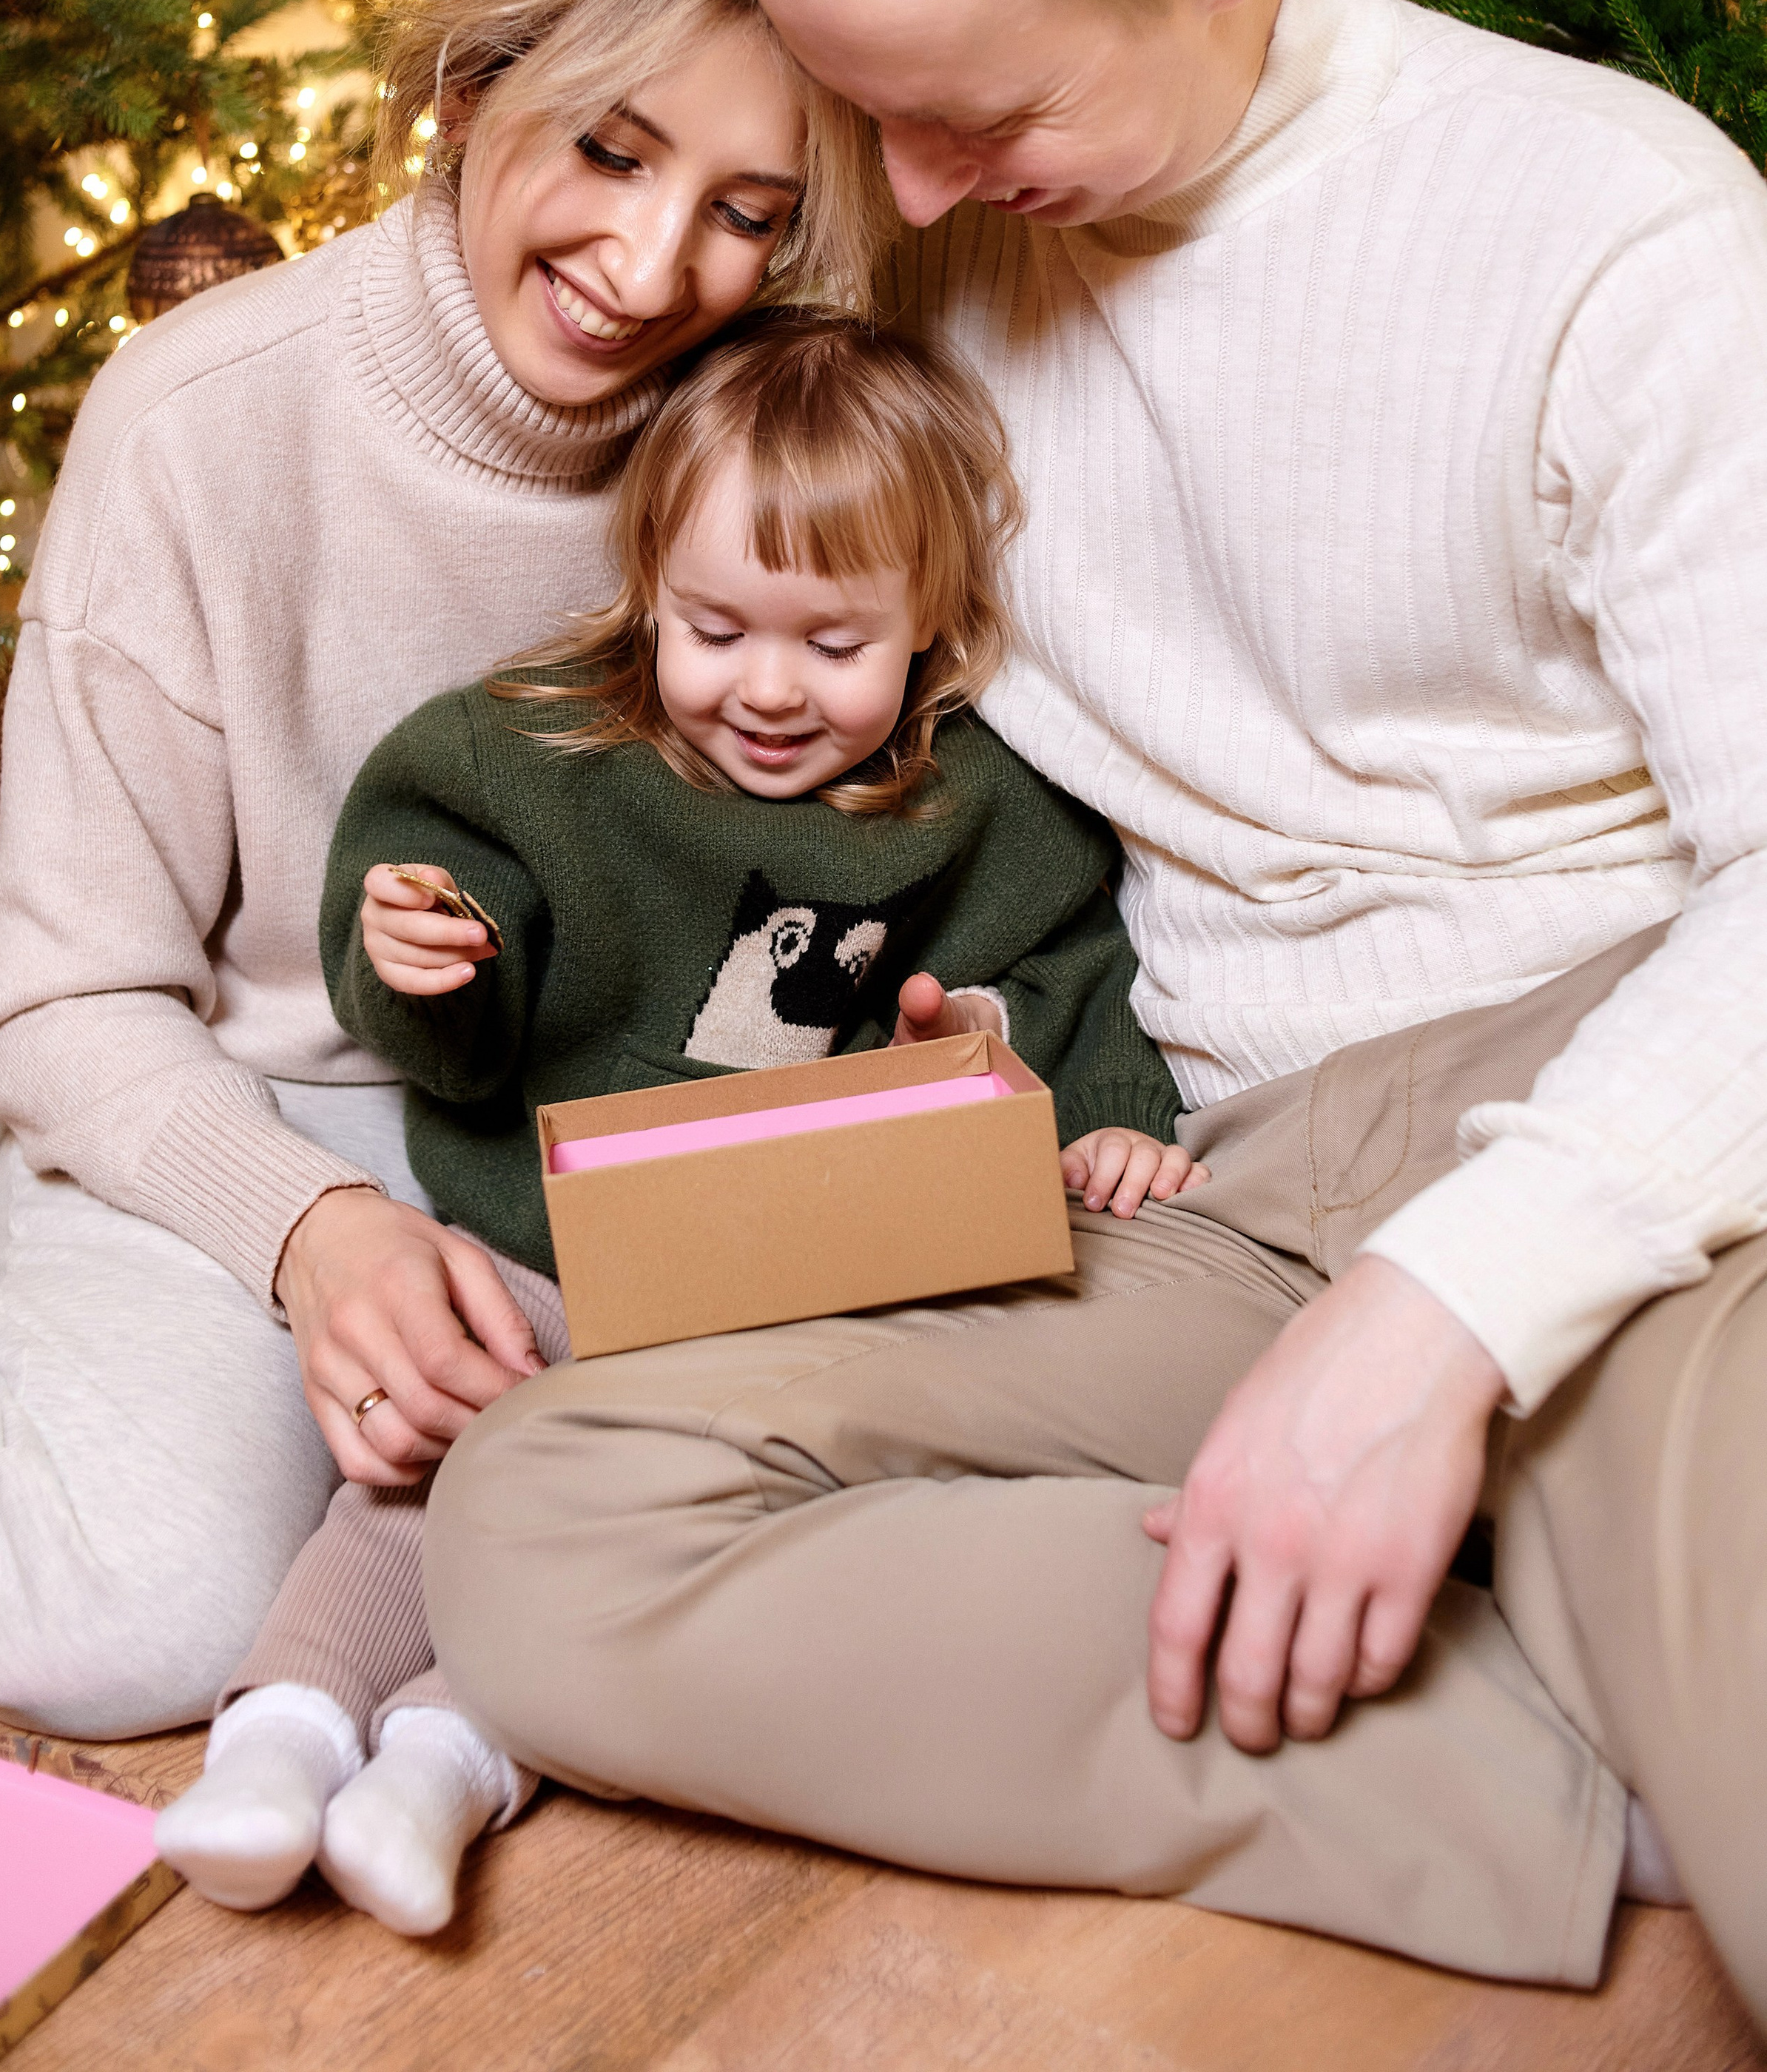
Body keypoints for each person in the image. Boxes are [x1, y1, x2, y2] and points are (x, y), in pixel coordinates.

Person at [422, 0, 1767, 2014]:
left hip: (1628, 1124)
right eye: (873, 119)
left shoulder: (1620, 230)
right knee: (543, 1525)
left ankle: (1558, 1587)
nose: (913, 203)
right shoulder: (930, 217)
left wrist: (1455, 1308)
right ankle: (1541, 1739)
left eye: (981, 115)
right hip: (1212, 1180)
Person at [0, 0, 895, 1739]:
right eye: (608, 149)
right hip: (240, 1088)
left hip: (599, 1123)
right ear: (470, 85)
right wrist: (310, 1235)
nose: (653, 265)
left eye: (745, 213)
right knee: (134, 1620)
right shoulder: (200, 418)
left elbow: (856, 825)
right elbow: (64, 999)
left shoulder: (784, 438)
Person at [153, 311, 1194, 1934]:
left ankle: (445, 1761)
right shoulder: (531, 753)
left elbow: (1069, 967)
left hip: (789, 1296)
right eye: (714, 629)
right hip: (547, 1236)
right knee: (436, 1453)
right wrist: (420, 956)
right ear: (647, 583)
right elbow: (438, 994)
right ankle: (277, 1732)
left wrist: (1097, 1112)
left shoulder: (978, 802)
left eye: (833, 645)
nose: (766, 689)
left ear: (931, 621)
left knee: (641, 1525)